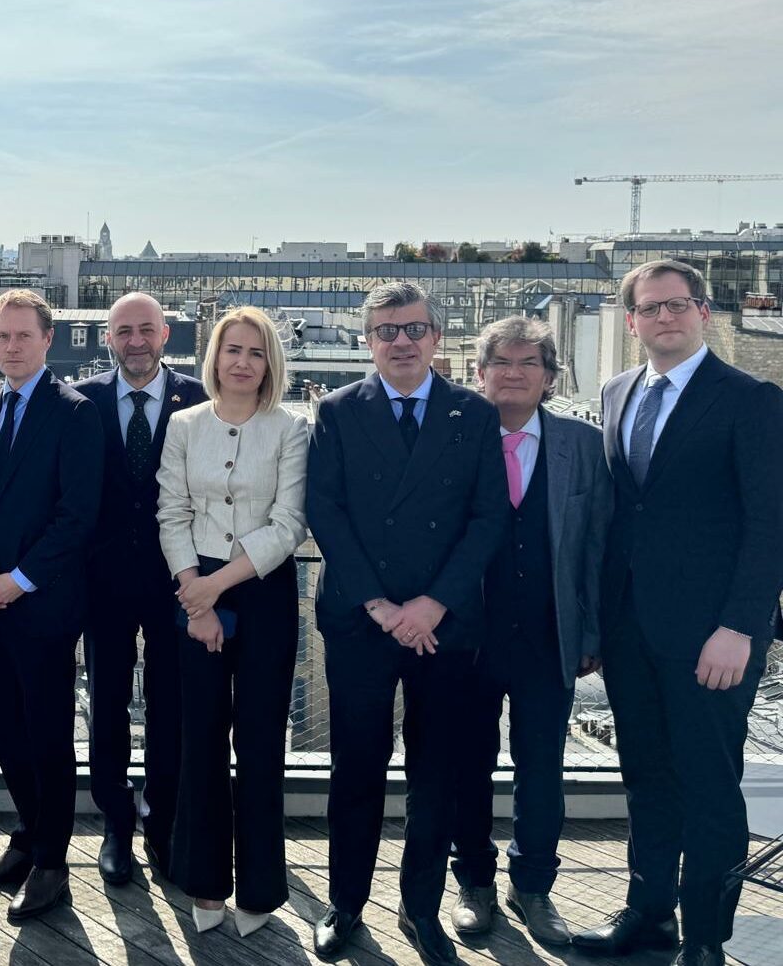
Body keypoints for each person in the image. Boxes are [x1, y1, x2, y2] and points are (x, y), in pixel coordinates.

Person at [572, 260, 783, 966]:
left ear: (704, 313)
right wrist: (600, 627)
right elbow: (620, 514)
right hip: (630, 630)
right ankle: (649, 915)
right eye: (650, 308)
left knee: (710, 787)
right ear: (631, 321)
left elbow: (770, 525)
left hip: (711, 636)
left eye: (678, 304)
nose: (665, 317)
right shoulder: (617, 391)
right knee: (646, 778)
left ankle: (706, 938)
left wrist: (742, 626)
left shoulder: (751, 399)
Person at [304, 281, 508, 966]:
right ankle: (345, 903)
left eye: (414, 328)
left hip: (444, 624)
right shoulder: (337, 410)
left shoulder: (473, 413)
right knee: (355, 769)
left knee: (436, 773)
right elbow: (325, 511)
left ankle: (421, 908)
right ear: (367, 341)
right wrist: (381, 606)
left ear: (437, 337)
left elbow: (488, 518)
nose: (401, 341)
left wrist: (432, 604)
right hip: (362, 620)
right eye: (387, 330)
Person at [446, 316, 610, 947]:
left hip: (550, 634)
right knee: (468, 764)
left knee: (542, 767)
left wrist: (591, 631)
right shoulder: (453, 437)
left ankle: (534, 886)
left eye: (529, 363)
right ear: (480, 373)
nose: (514, 374)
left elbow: (596, 545)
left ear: (549, 377)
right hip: (468, 635)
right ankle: (474, 883)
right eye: (502, 363)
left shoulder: (583, 444)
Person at [156, 306, 308, 936]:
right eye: (232, 349)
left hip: (262, 591)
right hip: (194, 585)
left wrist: (211, 592)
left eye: (255, 351)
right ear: (213, 357)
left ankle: (261, 889)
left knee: (262, 740)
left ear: (270, 363)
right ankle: (205, 880)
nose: (242, 362)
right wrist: (197, 597)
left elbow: (289, 524)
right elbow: (172, 512)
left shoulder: (290, 428)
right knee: (200, 738)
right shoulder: (184, 424)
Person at [0, 289, 103, 920]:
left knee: (47, 738)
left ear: (48, 340)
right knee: (8, 733)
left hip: (43, 605)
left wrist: (20, 579)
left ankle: (51, 864)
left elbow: (78, 515)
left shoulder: (74, 413)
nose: (11, 347)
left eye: (22, 336)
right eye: (1, 337)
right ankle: (27, 837)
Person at [74, 292, 207, 885]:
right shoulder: (82, 401)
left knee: (169, 701)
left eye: (146, 330)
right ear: (108, 337)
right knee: (105, 703)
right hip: (102, 581)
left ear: (165, 334)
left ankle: (162, 818)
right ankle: (116, 821)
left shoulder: (199, 400)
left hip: (177, 578)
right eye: (123, 330)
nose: (135, 341)